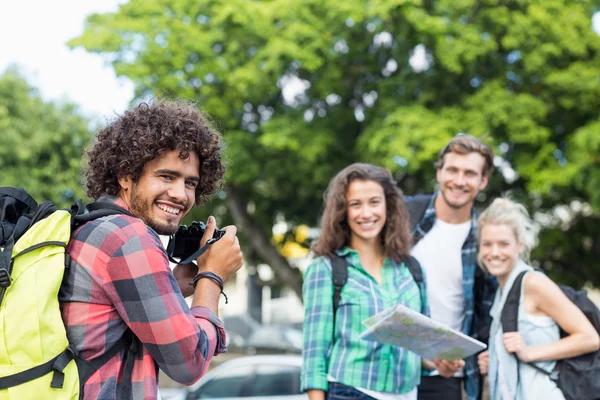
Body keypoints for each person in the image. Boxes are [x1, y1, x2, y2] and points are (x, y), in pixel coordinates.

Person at [59, 101, 244, 400]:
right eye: (167, 176)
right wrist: (212, 277)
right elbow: (190, 363)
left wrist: (175, 284)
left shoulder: (91, 227)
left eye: (190, 183)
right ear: (126, 175)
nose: (180, 194)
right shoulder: (128, 237)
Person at [301, 163, 462, 400]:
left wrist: (438, 363)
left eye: (374, 202)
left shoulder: (412, 269)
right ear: (343, 211)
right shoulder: (326, 268)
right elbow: (314, 355)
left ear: (389, 206)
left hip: (407, 394)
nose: (366, 213)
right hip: (351, 392)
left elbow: (420, 346)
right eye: (356, 204)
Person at [476, 198, 600, 399]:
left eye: (503, 244)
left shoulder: (532, 283)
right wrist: (496, 360)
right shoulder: (502, 291)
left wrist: (529, 353)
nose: (494, 252)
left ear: (520, 246)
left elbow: (590, 338)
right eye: (487, 244)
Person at [408, 134, 497, 400]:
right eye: (452, 170)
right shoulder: (404, 216)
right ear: (439, 172)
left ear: (483, 181)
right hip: (393, 367)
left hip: (446, 375)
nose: (459, 181)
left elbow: (492, 308)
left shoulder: (486, 239)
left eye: (469, 173)